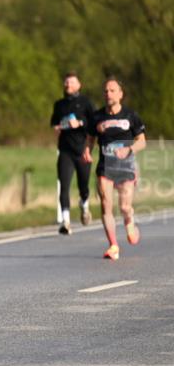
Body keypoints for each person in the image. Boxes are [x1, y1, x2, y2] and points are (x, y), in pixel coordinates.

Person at [83, 77, 146, 260]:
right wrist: (87, 150)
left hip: (126, 167)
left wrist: (129, 149)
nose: (108, 94)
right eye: (106, 91)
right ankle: (113, 245)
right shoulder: (97, 117)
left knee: (125, 207)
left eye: (112, 90)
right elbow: (90, 138)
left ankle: (129, 223)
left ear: (120, 94)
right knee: (106, 205)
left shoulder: (131, 116)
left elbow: (142, 142)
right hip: (105, 167)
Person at [51, 72, 95, 234]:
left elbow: (94, 124)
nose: (68, 85)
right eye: (66, 82)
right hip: (65, 150)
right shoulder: (59, 105)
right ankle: (65, 221)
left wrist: (80, 123)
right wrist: (58, 127)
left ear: (79, 85)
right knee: (64, 185)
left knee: (83, 186)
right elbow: (54, 122)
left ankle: (84, 205)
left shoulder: (86, 103)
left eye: (71, 82)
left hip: (82, 150)